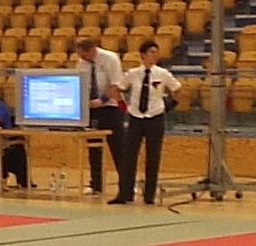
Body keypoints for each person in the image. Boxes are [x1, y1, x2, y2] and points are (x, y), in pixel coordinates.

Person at [113, 40, 180, 205]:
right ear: (143, 55)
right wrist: (123, 106)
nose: (155, 55)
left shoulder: (163, 73)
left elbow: (177, 90)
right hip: (135, 118)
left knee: (153, 157)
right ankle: (125, 193)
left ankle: (149, 195)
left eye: (157, 52)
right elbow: (117, 89)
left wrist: (168, 106)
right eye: (151, 52)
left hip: (155, 118)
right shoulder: (133, 73)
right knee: (129, 156)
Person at [75, 34, 124, 196]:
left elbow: (115, 84)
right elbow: (80, 84)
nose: (81, 58)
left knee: (118, 147)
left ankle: (126, 183)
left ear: (91, 49)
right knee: (94, 148)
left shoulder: (110, 59)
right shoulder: (81, 63)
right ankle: (96, 184)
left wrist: (102, 100)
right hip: (91, 109)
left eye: (83, 54)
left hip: (110, 107)